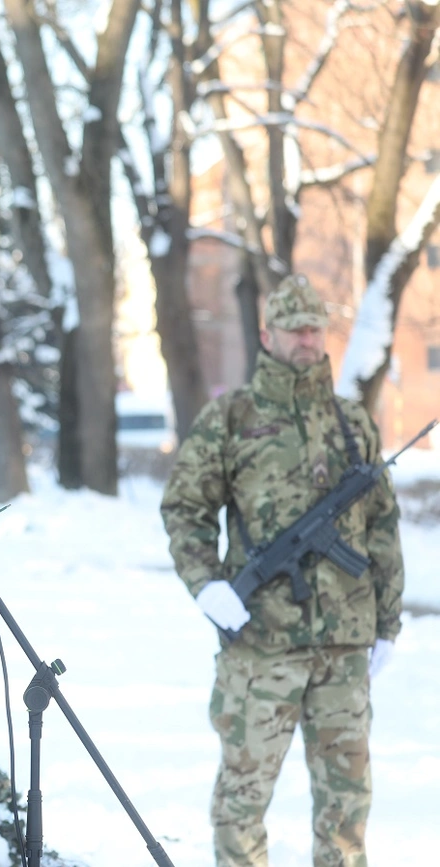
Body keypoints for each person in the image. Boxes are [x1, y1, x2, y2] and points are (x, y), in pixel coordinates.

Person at [160, 274, 404, 867]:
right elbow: (185, 507)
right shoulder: (232, 418)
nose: (306, 339)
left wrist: (387, 623)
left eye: (315, 328)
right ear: (268, 335)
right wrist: (206, 584)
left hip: (343, 647)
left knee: (347, 806)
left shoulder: (352, 422)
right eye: (294, 329)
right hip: (261, 645)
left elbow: (382, 526)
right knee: (242, 800)